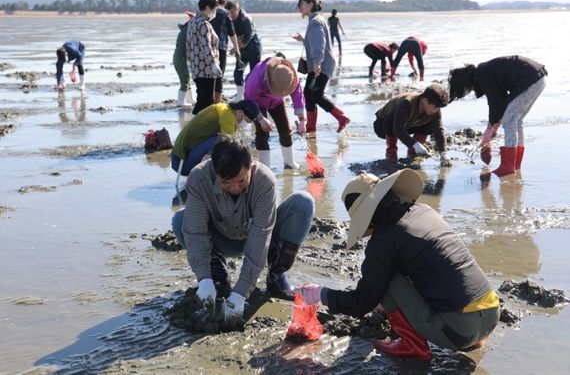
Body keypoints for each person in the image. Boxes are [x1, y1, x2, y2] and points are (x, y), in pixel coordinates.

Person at [297, 169, 500, 361]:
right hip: (492, 312)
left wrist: (320, 294)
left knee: (386, 279)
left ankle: (412, 345)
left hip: (460, 330)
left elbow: (361, 303)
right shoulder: (423, 211)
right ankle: (472, 336)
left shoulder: (384, 241)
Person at [171, 135, 315, 326]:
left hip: (261, 237)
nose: (234, 188)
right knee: (181, 219)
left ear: (250, 167)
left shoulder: (264, 181)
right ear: (215, 171)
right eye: (226, 183)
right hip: (223, 238)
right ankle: (216, 277)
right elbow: (195, 232)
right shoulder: (199, 179)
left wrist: (241, 292)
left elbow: (260, 236)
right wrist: (203, 278)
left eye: (241, 181)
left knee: (303, 202)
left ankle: (277, 274)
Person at [448, 55, 547, 177]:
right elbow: (501, 101)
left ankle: (508, 166)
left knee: (510, 121)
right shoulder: (482, 71)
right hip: (538, 77)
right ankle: (515, 164)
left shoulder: (482, 75)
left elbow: (495, 102)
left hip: (529, 79)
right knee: (516, 120)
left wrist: (490, 128)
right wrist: (493, 128)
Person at [292, 0, 350, 134]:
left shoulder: (316, 21)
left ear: (310, 4)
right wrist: (303, 40)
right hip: (321, 64)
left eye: (302, 5)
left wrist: (317, 63)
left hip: (322, 65)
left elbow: (319, 44)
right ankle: (311, 127)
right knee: (308, 93)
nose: (300, 8)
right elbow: (315, 41)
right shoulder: (317, 19)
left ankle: (342, 117)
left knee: (316, 94)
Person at [170, 100, 272, 177]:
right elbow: (231, 147)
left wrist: (261, 119)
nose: (245, 124)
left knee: (223, 143)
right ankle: (206, 176)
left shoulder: (225, 109)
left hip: (180, 158)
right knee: (224, 143)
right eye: (246, 120)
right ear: (240, 112)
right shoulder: (227, 116)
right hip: (181, 163)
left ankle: (208, 173)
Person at [244, 55, 306, 169]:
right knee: (262, 133)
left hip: (277, 102)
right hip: (257, 102)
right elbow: (248, 101)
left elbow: (298, 96)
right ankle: (264, 167)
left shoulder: (289, 76)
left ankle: (289, 162)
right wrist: (260, 118)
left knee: (286, 130)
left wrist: (302, 120)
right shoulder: (256, 79)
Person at [373, 84, 451, 166]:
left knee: (430, 125)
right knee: (390, 123)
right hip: (383, 126)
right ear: (425, 100)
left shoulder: (435, 110)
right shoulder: (407, 103)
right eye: (434, 107)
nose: (436, 110)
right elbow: (397, 129)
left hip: (409, 124)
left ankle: (413, 154)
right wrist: (415, 145)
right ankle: (391, 155)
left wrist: (443, 153)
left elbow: (439, 130)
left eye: (438, 108)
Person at [187, 0, 220, 114]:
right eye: (214, 9)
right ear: (207, 8)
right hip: (206, 69)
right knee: (205, 102)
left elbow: (188, 45)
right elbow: (206, 45)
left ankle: (197, 126)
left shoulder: (192, 21)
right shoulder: (204, 24)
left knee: (202, 99)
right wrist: (213, 63)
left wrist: (191, 62)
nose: (215, 12)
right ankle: (198, 127)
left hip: (196, 68)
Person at [225, 0, 262, 101]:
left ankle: (255, 96)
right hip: (242, 50)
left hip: (254, 48)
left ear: (237, 9)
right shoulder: (229, 19)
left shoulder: (246, 19)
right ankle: (240, 96)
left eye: (232, 12)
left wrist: (235, 49)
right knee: (237, 73)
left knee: (254, 74)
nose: (230, 15)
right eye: (228, 13)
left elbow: (247, 37)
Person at [211, 0, 242, 103]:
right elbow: (231, 33)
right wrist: (237, 49)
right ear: (224, 4)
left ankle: (208, 101)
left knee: (208, 75)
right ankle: (217, 103)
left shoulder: (208, 12)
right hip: (220, 48)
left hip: (207, 48)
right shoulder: (225, 14)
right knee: (219, 75)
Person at [173, 11, 195, 107]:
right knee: (185, 80)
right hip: (181, 58)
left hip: (178, 58)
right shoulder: (189, 31)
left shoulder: (184, 29)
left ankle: (190, 100)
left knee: (187, 79)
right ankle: (181, 102)